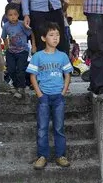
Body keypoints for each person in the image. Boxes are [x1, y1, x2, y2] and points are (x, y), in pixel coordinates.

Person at [27, 22, 73, 170]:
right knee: (42, 127)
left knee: (59, 127)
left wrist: (63, 92)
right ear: (43, 38)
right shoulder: (38, 56)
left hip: (58, 97)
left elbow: (67, 75)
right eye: (51, 35)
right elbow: (32, 76)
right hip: (44, 96)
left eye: (57, 35)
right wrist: (39, 94)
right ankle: (42, 156)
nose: (55, 38)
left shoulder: (63, 56)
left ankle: (61, 156)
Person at [2, 3, 32, 99]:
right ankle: (16, 85)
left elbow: (31, 34)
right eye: (10, 15)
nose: (13, 17)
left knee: (20, 69)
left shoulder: (22, 24)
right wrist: (7, 48)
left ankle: (21, 88)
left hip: (23, 51)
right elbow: (3, 37)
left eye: (15, 14)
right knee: (10, 69)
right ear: (6, 16)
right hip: (11, 51)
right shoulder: (6, 26)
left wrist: (34, 46)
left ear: (18, 15)